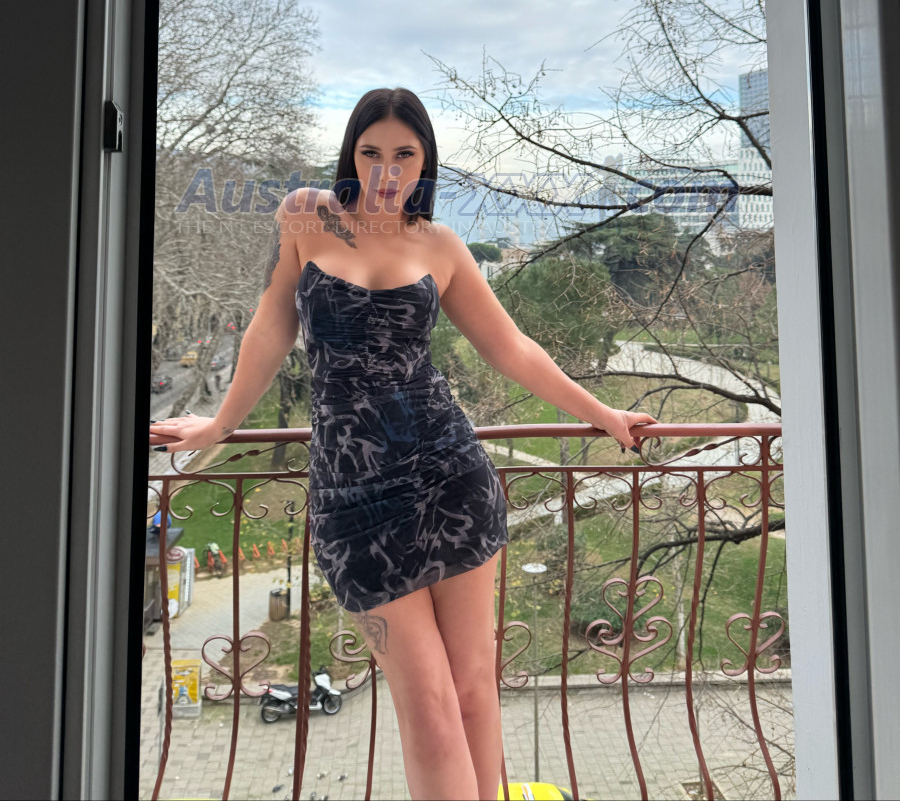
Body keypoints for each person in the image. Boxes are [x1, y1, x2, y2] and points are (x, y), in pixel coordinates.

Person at [149, 86, 657, 801]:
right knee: (430, 710)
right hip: (352, 502)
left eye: (404, 156)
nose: (386, 172)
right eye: (371, 153)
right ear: (351, 155)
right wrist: (218, 425)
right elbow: (270, 327)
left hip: (450, 478)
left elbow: (510, 347)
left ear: (426, 163)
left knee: (474, 691)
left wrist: (602, 413)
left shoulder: (440, 246)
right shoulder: (305, 216)